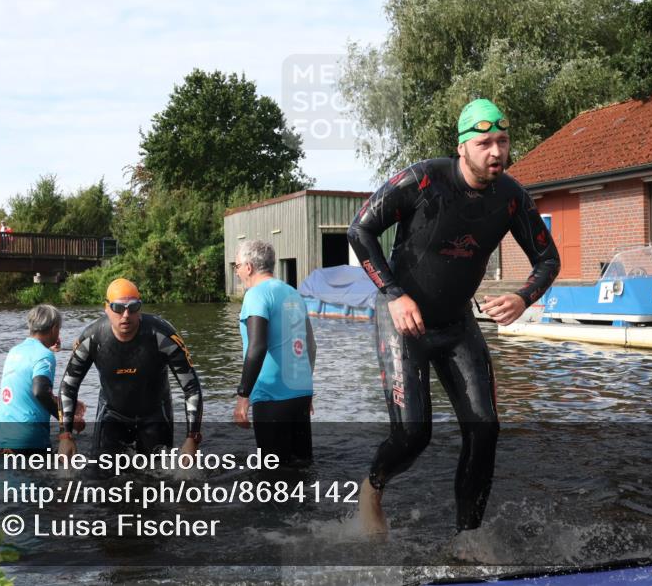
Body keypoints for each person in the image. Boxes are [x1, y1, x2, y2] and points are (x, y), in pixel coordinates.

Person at [347, 98, 560, 538]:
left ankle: (468, 538)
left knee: (485, 429)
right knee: (413, 436)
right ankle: (371, 488)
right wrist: (393, 293)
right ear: (462, 147)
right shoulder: (423, 179)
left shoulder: (512, 198)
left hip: (457, 324)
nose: (497, 152)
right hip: (403, 321)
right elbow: (360, 231)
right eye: (485, 142)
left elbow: (547, 259)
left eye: (503, 141)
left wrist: (523, 298)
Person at [58, 279, 203, 467]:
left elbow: (191, 387)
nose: (125, 315)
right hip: (112, 414)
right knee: (100, 480)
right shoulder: (92, 338)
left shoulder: (162, 335)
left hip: (155, 415)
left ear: (140, 308)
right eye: (118, 308)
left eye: (133, 307)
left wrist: (192, 438)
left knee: (158, 483)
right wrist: (65, 435)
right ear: (106, 308)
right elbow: (68, 386)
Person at [231, 240, 316, 465]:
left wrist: (243, 395)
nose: (237, 272)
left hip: (271, 396)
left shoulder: (256, 295)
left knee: (273, 477)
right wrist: (306, 387)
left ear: (248, 267)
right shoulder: (293, 293)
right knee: (302, 467)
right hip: (301, 392)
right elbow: (311, 345)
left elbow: (257, 346)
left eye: (237, 266)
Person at [0, 305, 79, 454]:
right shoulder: (45, 355)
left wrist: (67, 404)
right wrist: (66, 419)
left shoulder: (14, 351)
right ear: (54, 328)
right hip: (28, 441)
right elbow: (40, 392)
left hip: (1, 440)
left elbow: (27, 391)